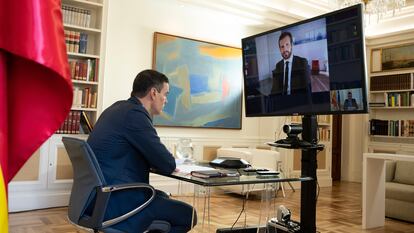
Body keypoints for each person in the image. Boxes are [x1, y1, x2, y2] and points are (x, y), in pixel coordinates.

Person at [87, 69, 196, 233]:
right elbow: (167, 163)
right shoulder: (135, 115)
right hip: (118, 203)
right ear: (153, 93)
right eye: (165, 94)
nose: (166, 100)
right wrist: (163, 160)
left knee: (162, 197)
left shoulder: (117, 108)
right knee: (190, 215)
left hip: (97, 199)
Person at [271, 31, 310, 96]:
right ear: (280, 49)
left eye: (287, 44)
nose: (285, 49)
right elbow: (274, 91)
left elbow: (307, 90)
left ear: (291, 45)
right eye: (282, 47)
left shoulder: (302, 62)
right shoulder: (278, 65)